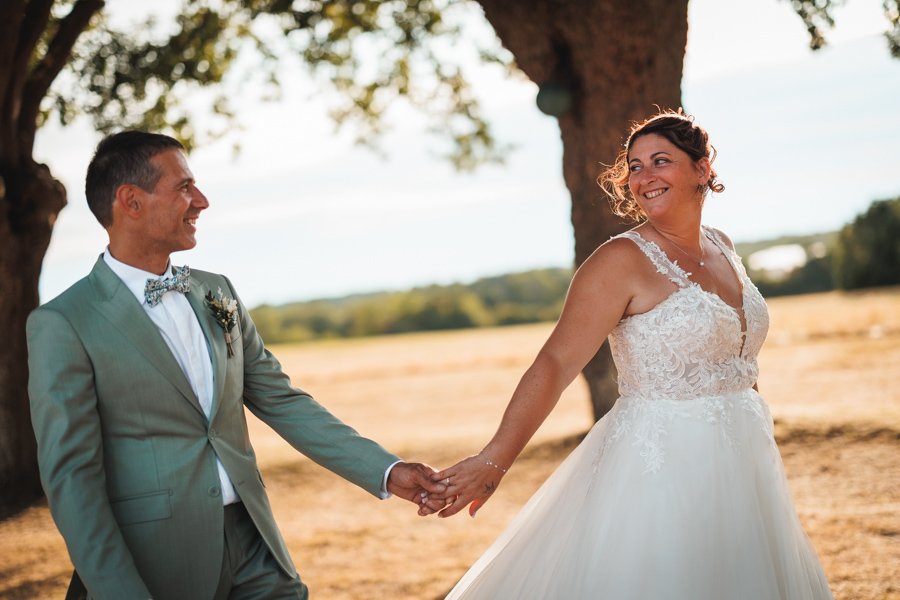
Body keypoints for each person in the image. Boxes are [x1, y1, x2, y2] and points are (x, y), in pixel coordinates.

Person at [430, 111, 835, 599]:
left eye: (660, 161)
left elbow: (733, 360)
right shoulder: (619, 261)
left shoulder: (722, 246)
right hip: (659, 468)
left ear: (702, 169)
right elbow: (555, 364)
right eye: (635, 166)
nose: (645, 177)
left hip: (745, 459)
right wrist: (494, 461)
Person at [26, 130, 446, 600]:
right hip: (153, 563)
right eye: (184, 186)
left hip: (255, 546)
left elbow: (284, 402)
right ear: (131, 201)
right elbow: (72, 479)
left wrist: (387, 471)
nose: (201, 201)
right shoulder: (63, 323)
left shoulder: (216, 291)